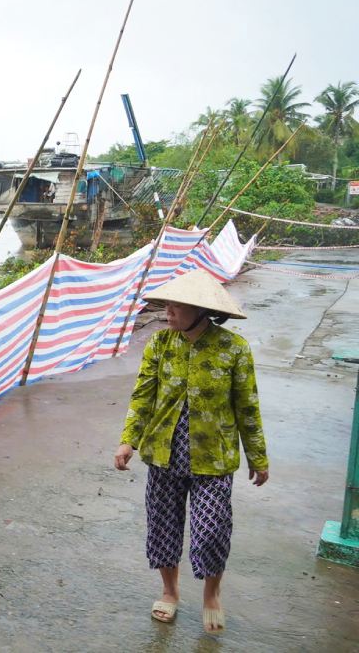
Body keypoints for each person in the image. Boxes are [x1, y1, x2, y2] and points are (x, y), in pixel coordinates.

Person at [113, 269, 268, 635]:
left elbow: (248, 407)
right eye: (165, 304)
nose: (167, 312)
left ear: (200, 310)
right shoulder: (159, 345)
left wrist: (257, 457)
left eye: (174, 306)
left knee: (212, 528)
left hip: (213, 458)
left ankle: (212, 595)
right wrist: (128, 441)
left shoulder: (234, 349)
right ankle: (169, 591)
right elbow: (143, 397)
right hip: (164, 453)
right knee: (164, 526)